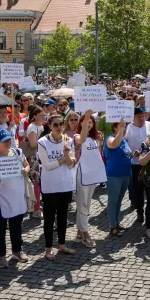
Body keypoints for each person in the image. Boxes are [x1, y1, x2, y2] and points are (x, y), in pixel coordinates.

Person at [0, 129, 30, 268]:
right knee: (0, 227)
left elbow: (27, 164)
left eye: (9, 140)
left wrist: (25, 170)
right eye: (4, 141)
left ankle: (17, 250)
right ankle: (1, 255)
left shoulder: (17, 153)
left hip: (16, 194)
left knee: (16, 223)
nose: (8, 143)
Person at [38, 114, 77, 259]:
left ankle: (62, 245)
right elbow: (47, 165)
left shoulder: (68, 140)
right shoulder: (42, 142)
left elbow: (71, 163)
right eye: (56, 125)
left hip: (65, 184)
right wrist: (63, 159)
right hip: (50, 186)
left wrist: (66, 155)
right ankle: (48, 248)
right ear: (50, 126)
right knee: (49, 218)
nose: (59, 127)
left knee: (63, 216)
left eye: (61, 124)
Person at [74, 110, 106, 248]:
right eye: (85, 121)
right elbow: (81, 140)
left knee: (87, 203)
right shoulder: (76, 136)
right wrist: (86, 116)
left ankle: (79, 232)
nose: (88, 123)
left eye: (91, 122)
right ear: (81, 124)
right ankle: (85, 232)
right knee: (82, 203)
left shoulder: (96, 138)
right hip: (81, 173)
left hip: (93, 174)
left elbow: (98, 156)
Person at [125, 106, 150, 224]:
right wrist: (131, 153)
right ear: (133, 117)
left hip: (149, 163)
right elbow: (124, 144)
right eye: (139, 116)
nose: (142, 118)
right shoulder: (128, 128)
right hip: (135, 164)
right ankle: (140, 212)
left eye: (143, 116)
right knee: (138, 190)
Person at [105, 120, 132, 236]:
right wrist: (121, 130)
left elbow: (126, 153)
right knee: (113, 200)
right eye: (121, 126)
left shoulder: (124, 140)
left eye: (125, 126)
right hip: (114, 175)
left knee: (119, 200)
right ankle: (112, 226)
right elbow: (114, 144)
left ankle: (116, 222)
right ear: (115, 128)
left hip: (125, 174)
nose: (124, 128)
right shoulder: (109, 138)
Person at [23, 106, 46, 219]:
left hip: (41, 156)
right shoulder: (32, 127)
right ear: (35, 116)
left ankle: (37, 204)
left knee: (41, 182)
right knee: (36, 182)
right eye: (41, 115)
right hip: (33, 157)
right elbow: (32, 144)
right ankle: (36, 208)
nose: (43, 117)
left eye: (44, 115)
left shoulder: (41, 126)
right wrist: (46, 142)